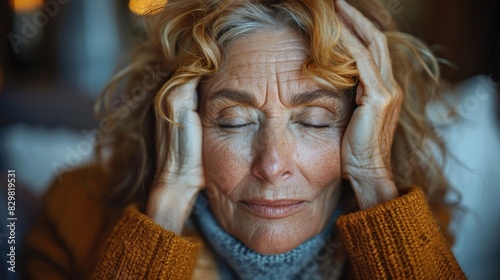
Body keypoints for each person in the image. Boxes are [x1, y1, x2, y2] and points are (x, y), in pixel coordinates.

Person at [23, 0, 466, 279]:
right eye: (233, 121)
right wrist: (166, 207)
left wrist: (373, 179)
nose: (272, 165)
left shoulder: (410, 235)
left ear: (370, 125)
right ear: (179, 120)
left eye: (313, 121)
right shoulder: (74, 213)